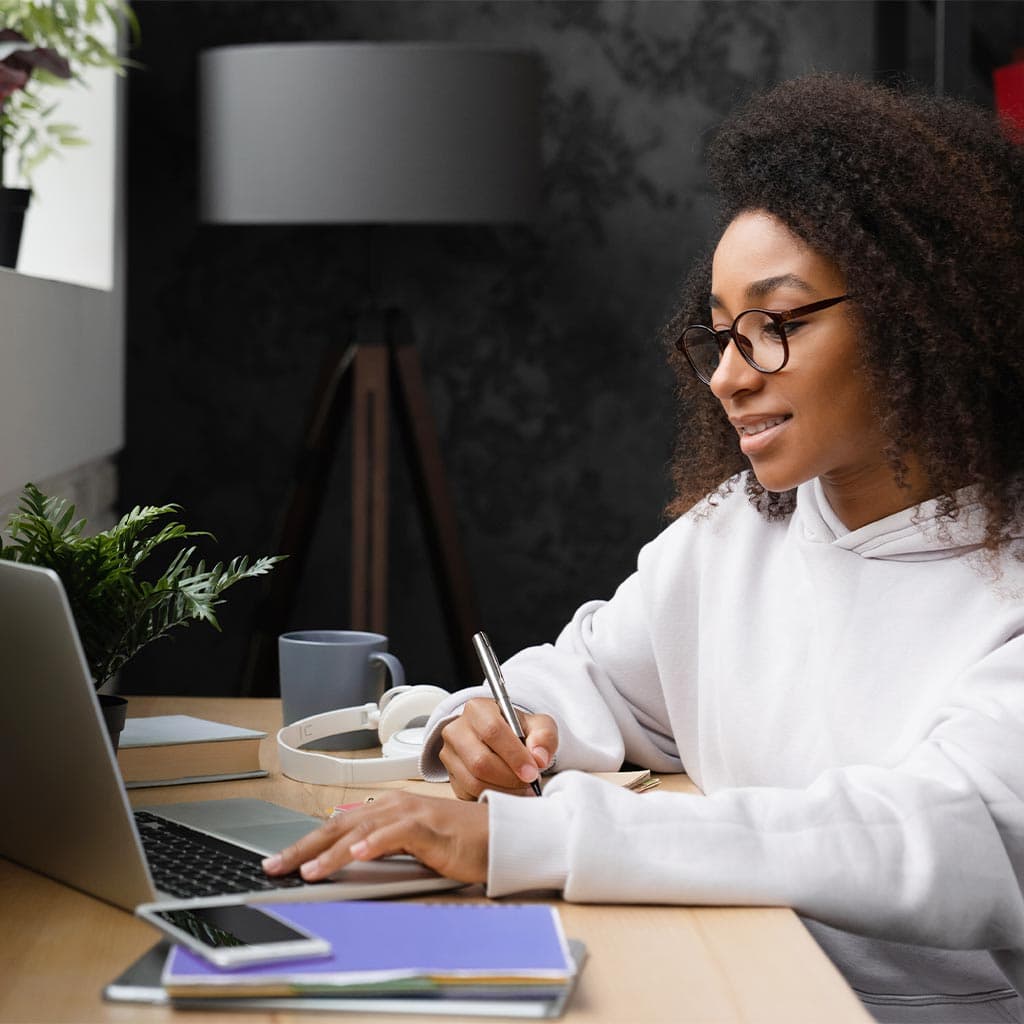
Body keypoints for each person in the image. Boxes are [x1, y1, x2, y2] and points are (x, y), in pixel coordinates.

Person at [263, 74, 1024, 1022]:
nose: (730, 379)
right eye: (719, 337)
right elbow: (597, 677)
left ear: (922, 316)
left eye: (777, 327)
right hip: (716, 976)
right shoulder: (738, 529)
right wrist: (499, 721)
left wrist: (525, 840)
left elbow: (930, 834)